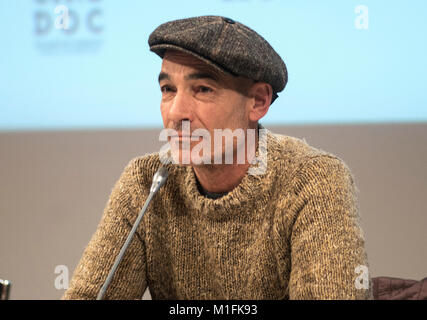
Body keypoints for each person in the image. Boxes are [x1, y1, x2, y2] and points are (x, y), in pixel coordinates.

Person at [63, 15, 373, 300]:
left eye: (202, 89)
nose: (175, 113)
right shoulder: (146, 182)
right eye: (168, 89)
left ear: (259, 101)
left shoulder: (312, 181)